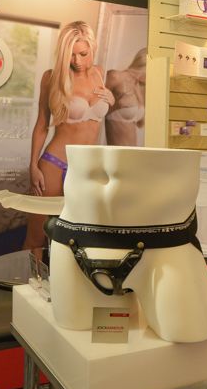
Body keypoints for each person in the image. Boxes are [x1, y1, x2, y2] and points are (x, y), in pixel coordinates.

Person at [24, 21, 114, 249]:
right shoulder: (51, 77)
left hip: (86, 168)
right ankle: (29, 274)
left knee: (78, 240)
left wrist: (111, 99)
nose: (77, 61)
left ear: (92, 47)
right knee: (36, 238)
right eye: (71, 55)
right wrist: (33, 166)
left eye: (83, 54)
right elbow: (42, 124)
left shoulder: (100, 74)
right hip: (54, 164)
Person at [105, 48, 146, 146]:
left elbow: (140, 123)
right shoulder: (115, 77)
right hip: (117, 151)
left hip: (133, 151)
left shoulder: (139, 86)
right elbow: (96, 110)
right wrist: (115, 105)